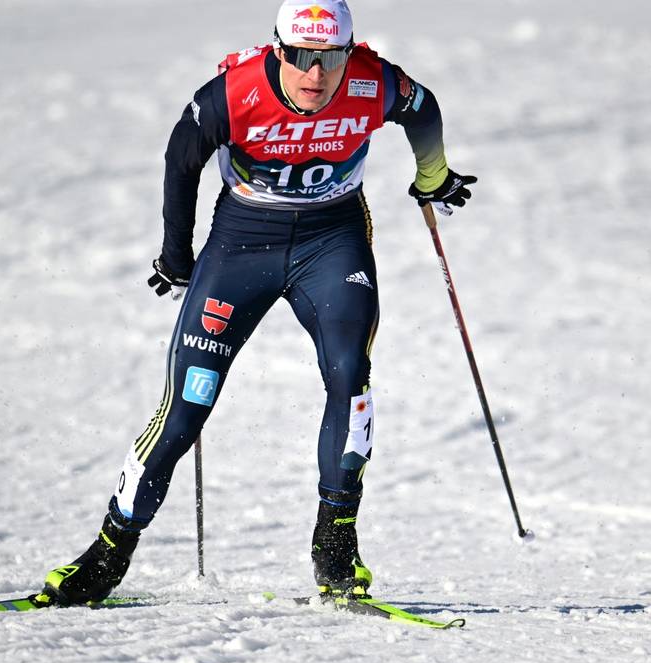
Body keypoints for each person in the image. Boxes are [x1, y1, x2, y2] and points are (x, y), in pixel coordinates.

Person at [34, 0, 475, 606]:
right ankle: (108, 554)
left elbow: (423, 111)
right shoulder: (231, 94)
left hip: (332, 239)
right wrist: (175, 255)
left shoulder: (374, 82)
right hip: (243, 242)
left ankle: (336, 544)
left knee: (351, 374)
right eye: (300, 56)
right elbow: (181, 160)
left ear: (349, 53)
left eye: (330, 58)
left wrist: (434, 176)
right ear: (277, 49)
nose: (315, 74)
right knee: (187, 407)